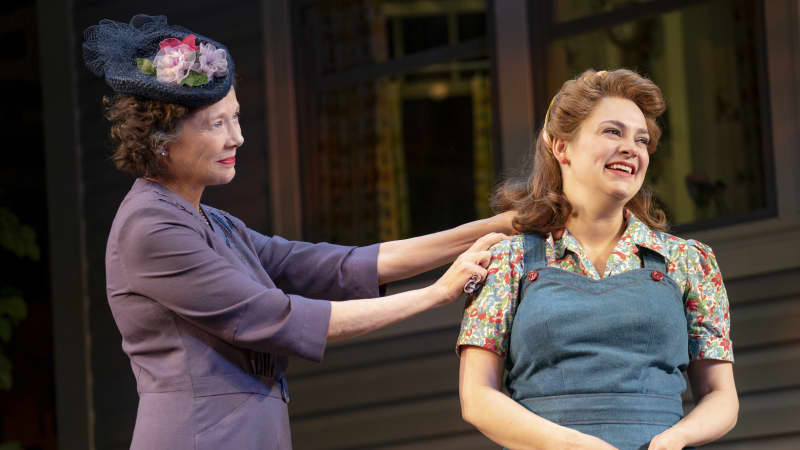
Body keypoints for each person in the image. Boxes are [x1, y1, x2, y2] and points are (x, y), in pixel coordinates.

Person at [84, 15, 513, 450]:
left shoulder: (213, 222)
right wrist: (436, 293)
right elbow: (276, 317)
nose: (238, 138)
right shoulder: (150, 228)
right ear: (161, 136)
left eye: (236, 118)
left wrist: (493, 226)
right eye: (217, 124)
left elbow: (335, 266)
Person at [457, 69, 738, 450]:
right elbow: (477, 398)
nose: (631, 148)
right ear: (561, 147)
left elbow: (722, 397)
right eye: (612, 132)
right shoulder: (507, 261)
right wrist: (574, 446)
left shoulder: (688, 261)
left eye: (641, 140)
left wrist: (676, 439)